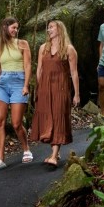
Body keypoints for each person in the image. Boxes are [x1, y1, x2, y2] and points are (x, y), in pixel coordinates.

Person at [31, 20, 80, 167]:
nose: (48, 30)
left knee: (58, 117)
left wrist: (76, 94)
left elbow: (74, 73)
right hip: (45, 88)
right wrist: (38, 88)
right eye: (48, 27)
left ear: (60, 29)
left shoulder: (69, 49)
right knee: (47, 118)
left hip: (61, 88)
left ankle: (54, 156)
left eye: (51, 27)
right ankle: (55, 151)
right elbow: (39, 69)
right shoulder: (43, 48)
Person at [0, 17, 33, 171]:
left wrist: (26, 85)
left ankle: (26, 148)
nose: (16, 30)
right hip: (2, 83)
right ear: (5, 27)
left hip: (19, 82)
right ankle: (1, 159)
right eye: (13, 27)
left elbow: (27, 65)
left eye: (17, 28)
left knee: (16, 123)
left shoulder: (23, 44)